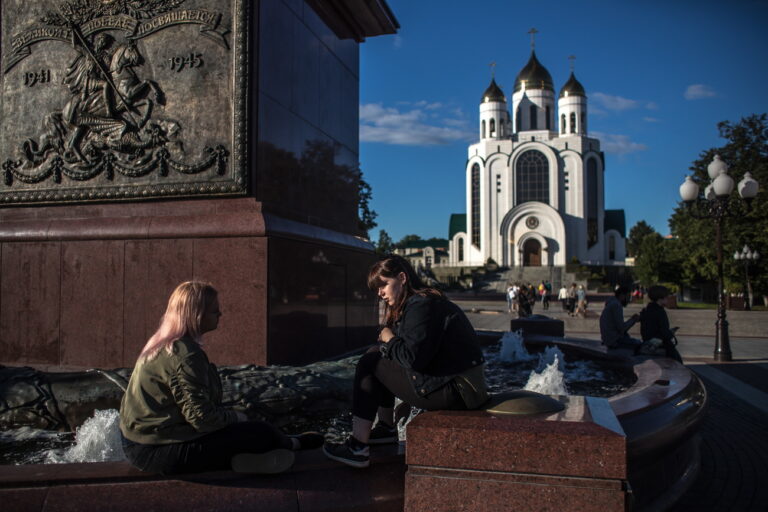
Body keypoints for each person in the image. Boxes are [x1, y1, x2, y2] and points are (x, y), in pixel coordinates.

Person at [119, 281, 323, 475]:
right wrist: (235, 417)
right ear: (197, 315)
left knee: (242, 424)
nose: (221, 314)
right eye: (215, 311)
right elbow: (201, 419)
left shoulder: (160, 343)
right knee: (260, 432)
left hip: (138, 443)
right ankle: (292, 445)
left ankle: (243, 458)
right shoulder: (185, 356)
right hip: (157, 452)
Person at [323, 256, 488, 469]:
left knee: (369, 362)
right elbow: (422, 355)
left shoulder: (422, 304)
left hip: (459, 391)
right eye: (376, 289)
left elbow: (412, 358)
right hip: (460, 387)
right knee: (377, 354)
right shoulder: (419, 302)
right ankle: (385, 428)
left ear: (401, 278)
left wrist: (389, 337)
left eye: (383, 284)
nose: (380, 293)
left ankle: (357, 447)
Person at [639, 285, 683, 363]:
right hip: (659, 344)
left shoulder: (647, 310)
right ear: (660, 299)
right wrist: (671, 333)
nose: (668, 299)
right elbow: (664, 331)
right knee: (678, 361)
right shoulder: (660, 312)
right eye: (666, 297)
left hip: (647, 342)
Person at [599, 284, 642, 351]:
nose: (628, 300)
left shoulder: (612, 303)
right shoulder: (616, 305)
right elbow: (622, 328)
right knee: (640, 345)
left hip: (608, 339)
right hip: (614, 341)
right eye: (628, 297)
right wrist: (633, 320)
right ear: (622, 296)